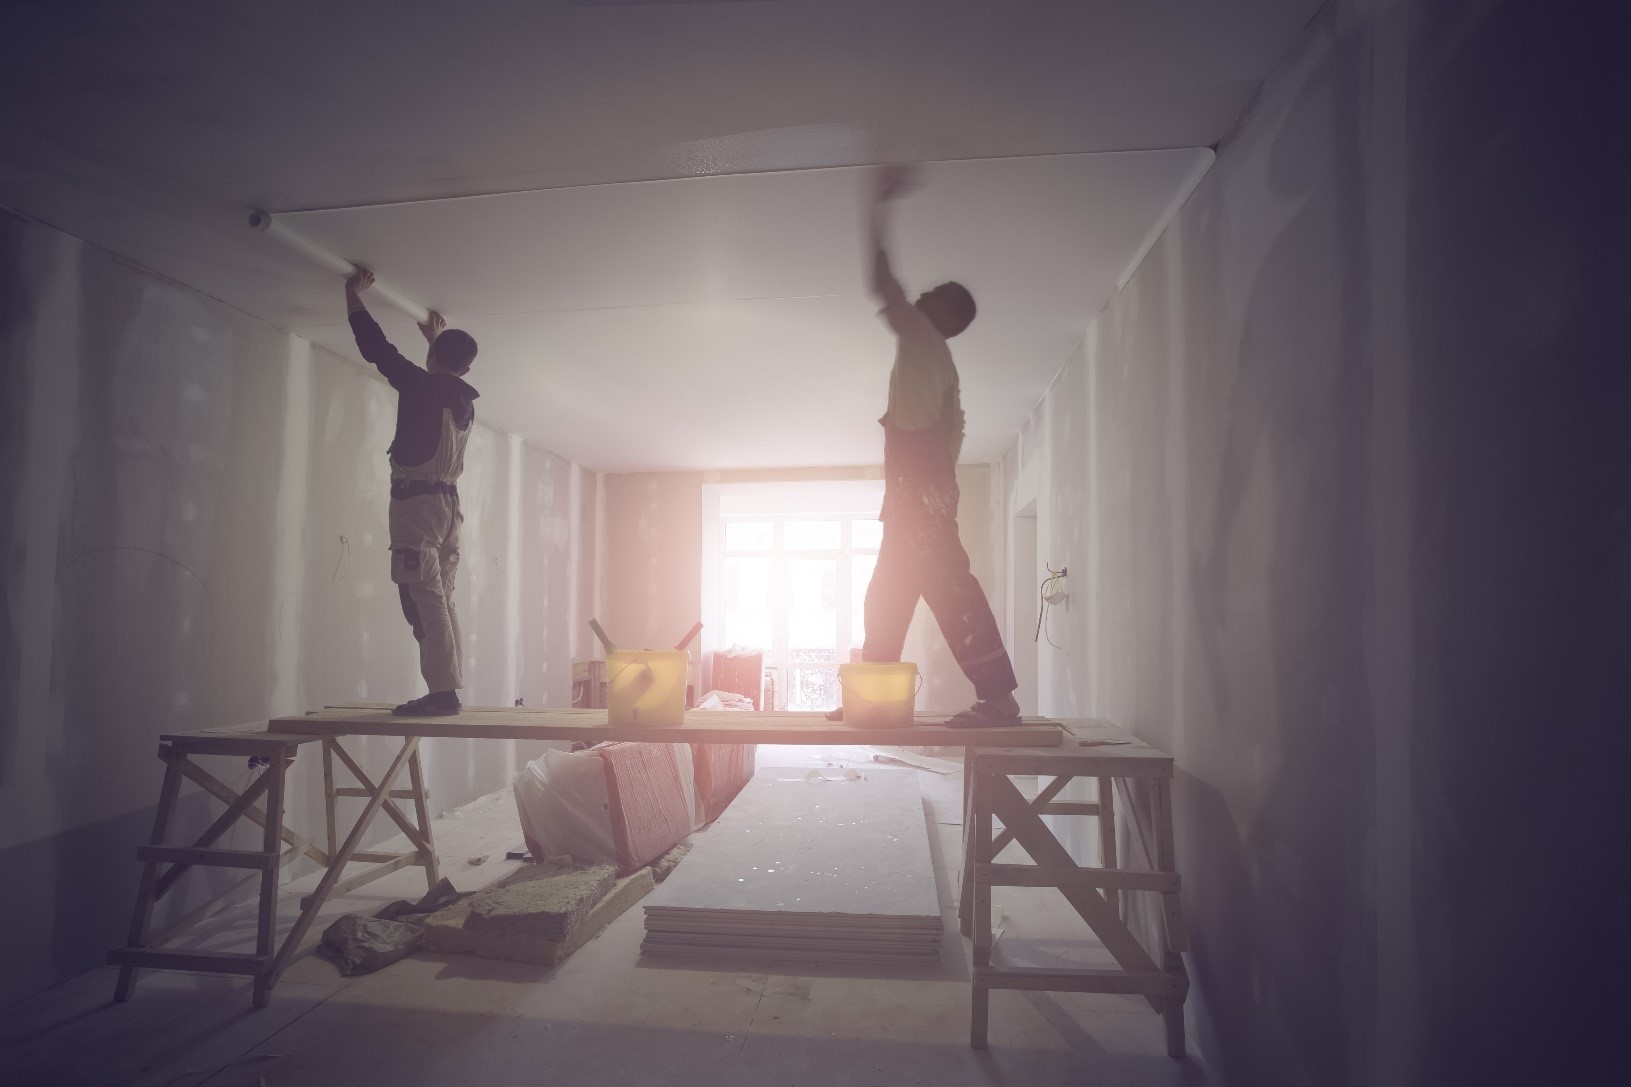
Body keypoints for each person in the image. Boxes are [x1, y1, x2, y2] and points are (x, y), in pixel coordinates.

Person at [835, 163, 1022, 727]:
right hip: (917, 493)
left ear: (943, 317)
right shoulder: (939, 369)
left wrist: (876, 204)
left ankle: (999, 701)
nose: (923, 293)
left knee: (950, 590)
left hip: (918, 492)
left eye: (935, 294)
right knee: (885, 597)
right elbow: (949, 444)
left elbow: (881, 283)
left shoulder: (922, 338)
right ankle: (872, 699)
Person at [344, 267, 480, 716]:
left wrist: (353, 294)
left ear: (436, 357)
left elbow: (376, 349)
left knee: (422, 597)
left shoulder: (423, 387)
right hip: (447, 509)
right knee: (439, 594)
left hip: (417, 507)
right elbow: (441, 375)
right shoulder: (462, 399)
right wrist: (435, 343)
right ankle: (450, 688)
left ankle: (443, 694)